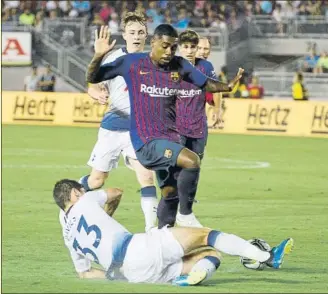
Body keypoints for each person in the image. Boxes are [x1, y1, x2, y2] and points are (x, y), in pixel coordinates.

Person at [86, 24, 244, 229]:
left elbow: (206, 84)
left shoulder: (179, 65)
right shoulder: (132, 63)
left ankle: (160, 234)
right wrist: (98, 55)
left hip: (169, 137)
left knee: (170, 193)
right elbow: (93, 77)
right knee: (191, 160)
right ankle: (186, 215)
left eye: (173, 47)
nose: (169, 51)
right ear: (153, 43)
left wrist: (228, 86)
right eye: (165, 46)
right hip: (146, 141)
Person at [54, 179, 294, 285]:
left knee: (210, 255)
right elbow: (115, 192)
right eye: (81, 191)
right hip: (139, 248)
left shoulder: (67, 236)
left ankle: (194, 276)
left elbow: (84, 274)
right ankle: (269, 257)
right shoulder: (85, 201)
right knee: (205, 235)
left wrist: (113, 275)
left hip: (132, 274)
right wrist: (107, 213)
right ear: (75, 193)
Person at [80, 12, 158, 232]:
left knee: (146, 176)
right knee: (96, 181)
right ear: (124, 34)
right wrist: (95, 93)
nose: (136, 36)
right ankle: (74, 193)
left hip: (139, 130)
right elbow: (92, 85)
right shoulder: (113, 58)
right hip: (112, 128)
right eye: (132, 32)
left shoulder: (153, 61)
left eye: (140, 32)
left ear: (146, 36)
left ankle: (152, 231)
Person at [175, 30, 219, 227]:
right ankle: (175, 206)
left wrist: (217, 109)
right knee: (176, 166)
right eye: (191, 46)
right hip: (176, 127)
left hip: (199, 126)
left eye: (198, 47)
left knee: (195, 166)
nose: (195, 50)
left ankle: (186, 207)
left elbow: (215, 88)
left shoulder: (206, 67)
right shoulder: (171, 66)